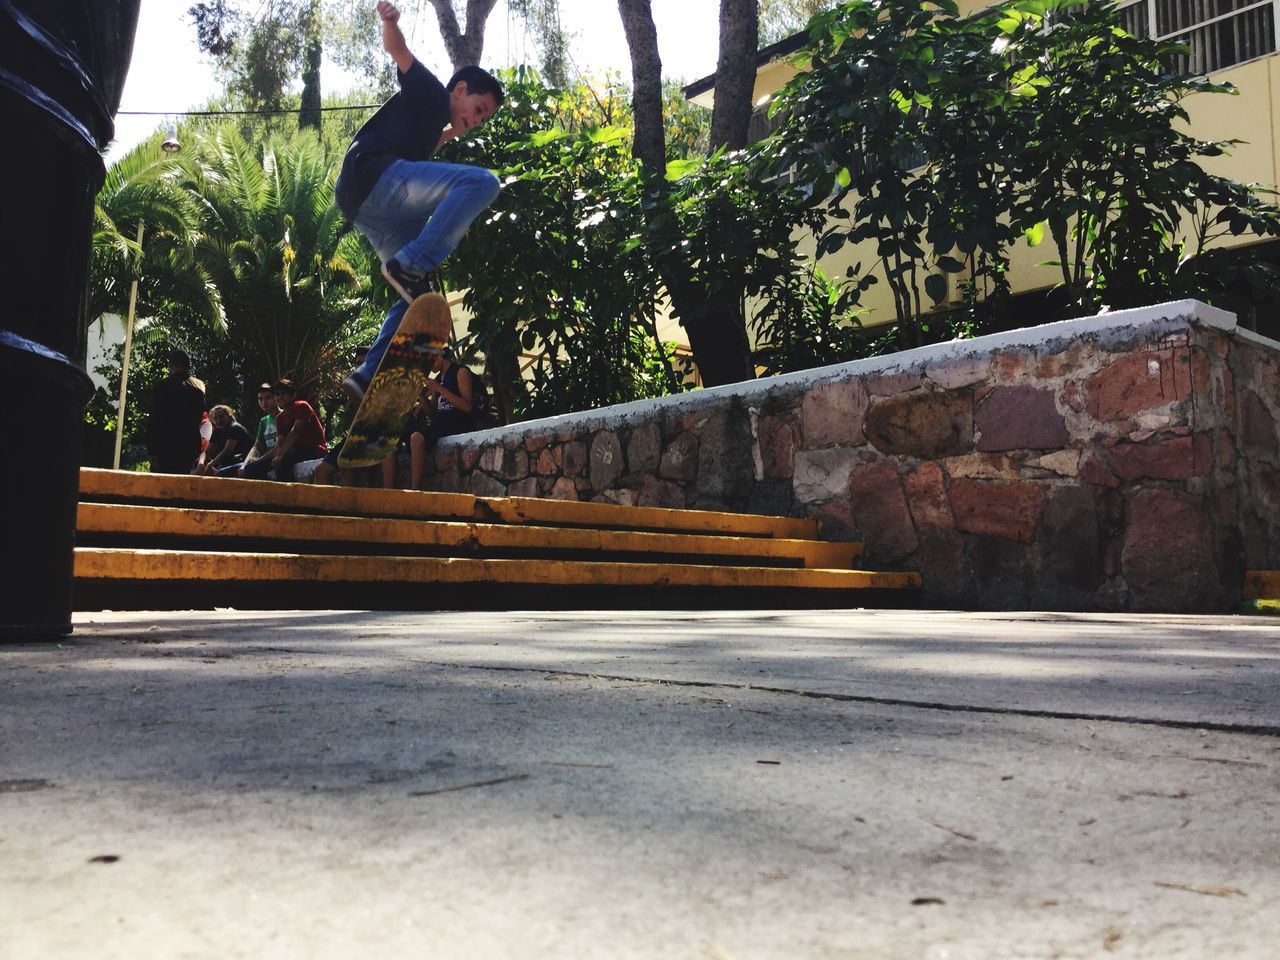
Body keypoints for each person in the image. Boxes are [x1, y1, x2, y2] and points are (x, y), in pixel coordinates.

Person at [334, 0, 504, 407]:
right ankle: (409, 263)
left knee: (417, 297)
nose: (476, 120)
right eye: (477, 109)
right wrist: (389, 22)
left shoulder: (431, 128)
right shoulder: (431, 91)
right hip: (376, 176)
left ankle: (367, 374)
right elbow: (398, 51)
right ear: (460, 90)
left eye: (483, 120)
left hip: (366, 206)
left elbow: (436, 139)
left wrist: (450, 135)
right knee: (482, 182)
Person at [242, 380, 328, 481]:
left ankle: (285, 494)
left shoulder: (302, 406)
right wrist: (260, 461)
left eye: (284, 394)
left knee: (281, 463)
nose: (280, 397)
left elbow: (295, 431)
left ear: (293, 395)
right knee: (251, 468)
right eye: (277, 394)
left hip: (314, 450)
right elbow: (280, 443)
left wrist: (279, 455)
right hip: (296, 452)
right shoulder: (280, 418)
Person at [145, 348, 206, 475]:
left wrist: (151, 450)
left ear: (170, 366)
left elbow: (154, 419)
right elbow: (196, 422)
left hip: (164, 445)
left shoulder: (161, 386)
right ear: (188, 366)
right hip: (187, 447)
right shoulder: (197, 393)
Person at [381, 386, 434, 489]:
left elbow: (431, 415)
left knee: (415, 437)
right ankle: (387, 491)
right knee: (387, 441)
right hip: (397, 425)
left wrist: (421, 395)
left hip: (414, 425)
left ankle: (415, 491)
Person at [233, 384, 280, 478]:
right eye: (260, 399)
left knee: (250, 470)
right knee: (225, 472)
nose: (264, 402)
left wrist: (257, 461)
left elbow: (279, 447)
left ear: (276, 397)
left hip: (279, 458)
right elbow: (256, 446)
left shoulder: (284, 416)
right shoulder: (263, 421)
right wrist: (245, 464)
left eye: (268, 398)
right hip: (264, 459)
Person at [198, 405, 254, 476]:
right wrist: (201, 463)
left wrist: (210, 465)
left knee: (221, 472)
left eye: (222, 417)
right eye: (215, 419)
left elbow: (227, 450)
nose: (219, 421)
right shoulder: (217, 431)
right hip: (229, 462)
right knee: (197, 465)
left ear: (229, 416)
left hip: (246, 461)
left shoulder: (234, 428)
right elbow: (207, 452)